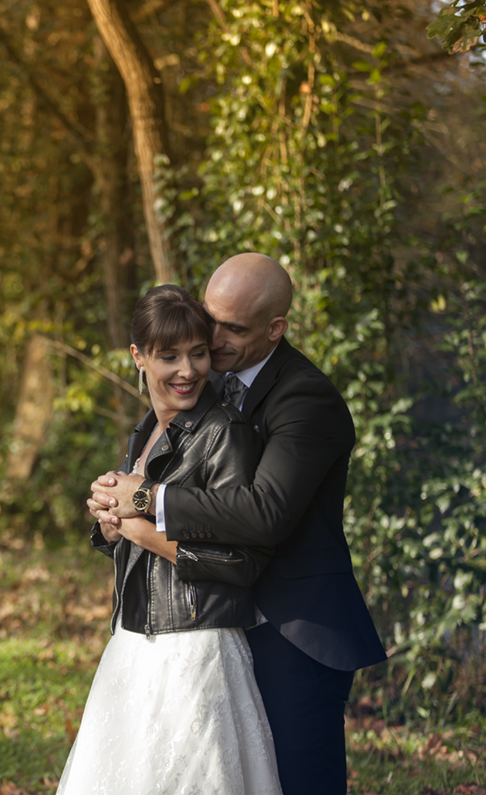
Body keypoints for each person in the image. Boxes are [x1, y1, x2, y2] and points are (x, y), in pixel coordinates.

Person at [89, 253, 387, 795]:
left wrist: (150, 500)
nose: (214, 336)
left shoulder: (306, 397)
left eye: (234, 327)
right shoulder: (203, 385)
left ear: (276, 329)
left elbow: (264, 511)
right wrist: (114, 511)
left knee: (299, 782)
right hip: (219, 620)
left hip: (293, 626)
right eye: (212, 318)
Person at [56, 284, 282, 795]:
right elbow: (142, 528)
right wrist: (111, 525)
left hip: (196, 648)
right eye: (169, 356)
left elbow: (242, 561)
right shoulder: (146, 432)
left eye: (198, 353)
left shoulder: (225, 432)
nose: (188, 370)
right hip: (134, 641)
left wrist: (142, 528)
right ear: (138, 357)